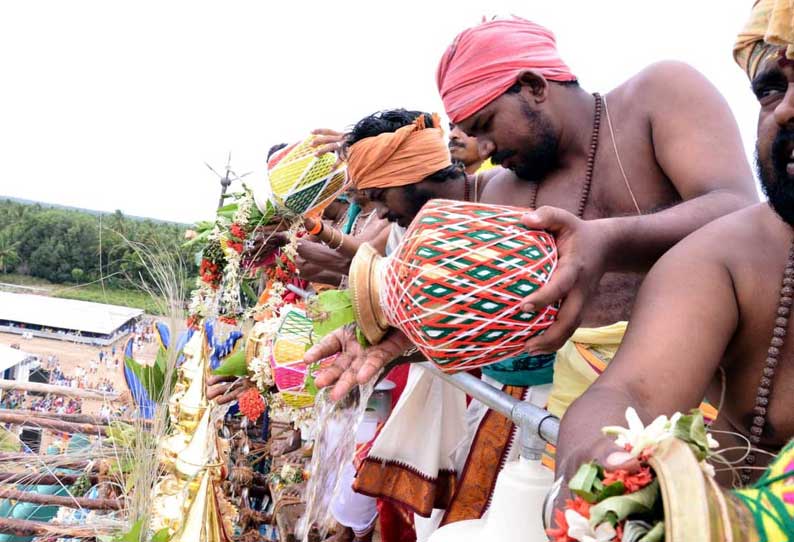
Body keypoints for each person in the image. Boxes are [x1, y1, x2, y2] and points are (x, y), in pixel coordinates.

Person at [308, 16, 759, 538]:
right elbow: (484, 307)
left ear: (533, 87)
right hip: (578, 419)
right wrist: (391, 336)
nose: (482, 149)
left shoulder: (658, 96)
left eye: (484, 126)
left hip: (704, 404)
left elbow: (734, 208)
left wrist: (605, 240)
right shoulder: (502, 192)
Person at [555, 0, 794, 496]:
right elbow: (628, 394)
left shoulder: (660, 92)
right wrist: (602, 471)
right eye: (773, 89)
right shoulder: (726, 259)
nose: (786, 109)